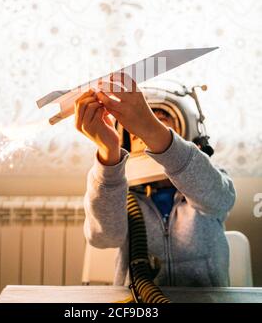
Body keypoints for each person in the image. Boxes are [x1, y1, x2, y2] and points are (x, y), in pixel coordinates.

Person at [75, 74, 236, 288]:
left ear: (183, 136)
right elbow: (104, 238)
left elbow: (220, 200)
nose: (143, 135)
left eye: (161, 123)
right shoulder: (120, 195)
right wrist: (107, 154)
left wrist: (151, 128)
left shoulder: (207, 182)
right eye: (135, 133)